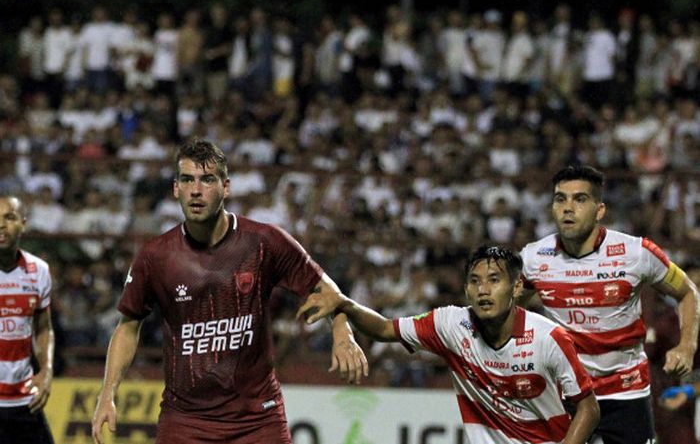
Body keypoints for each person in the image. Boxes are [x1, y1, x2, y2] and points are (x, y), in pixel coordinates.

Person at [91, 139, 368, 444]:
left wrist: (343, 333)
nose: (196, 190)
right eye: (187, 180)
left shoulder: (264, 242)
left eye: (207, 180)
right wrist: (108, 394)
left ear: (226, 187)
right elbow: (128, 325)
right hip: (185, 422)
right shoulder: (155, 256)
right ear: (175, 189)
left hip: (258, 420)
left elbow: (324, 289)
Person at [299, 245, 600, 444]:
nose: (483, 290)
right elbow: (383, 329)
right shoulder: (450, 325)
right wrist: (345, 305)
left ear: (516, 287)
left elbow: (588, 408)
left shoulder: (549, 338)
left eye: (494, 280)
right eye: (475, 281)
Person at [519, 165, 700, 444]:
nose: (568, 208)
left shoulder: (636, 253)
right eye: (560, 199)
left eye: (579, 199)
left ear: (599, 210)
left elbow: (687, 292)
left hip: (626, 392)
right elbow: (504, 311)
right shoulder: (533, 258)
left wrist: (686, 345)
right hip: (565, 393)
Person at [0, 196, 55, 444]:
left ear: (23, 223)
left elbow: (44, 328)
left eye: (9, 217)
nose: (1, 225)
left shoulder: (39, 271)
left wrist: (46, 370)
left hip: (24, 400)